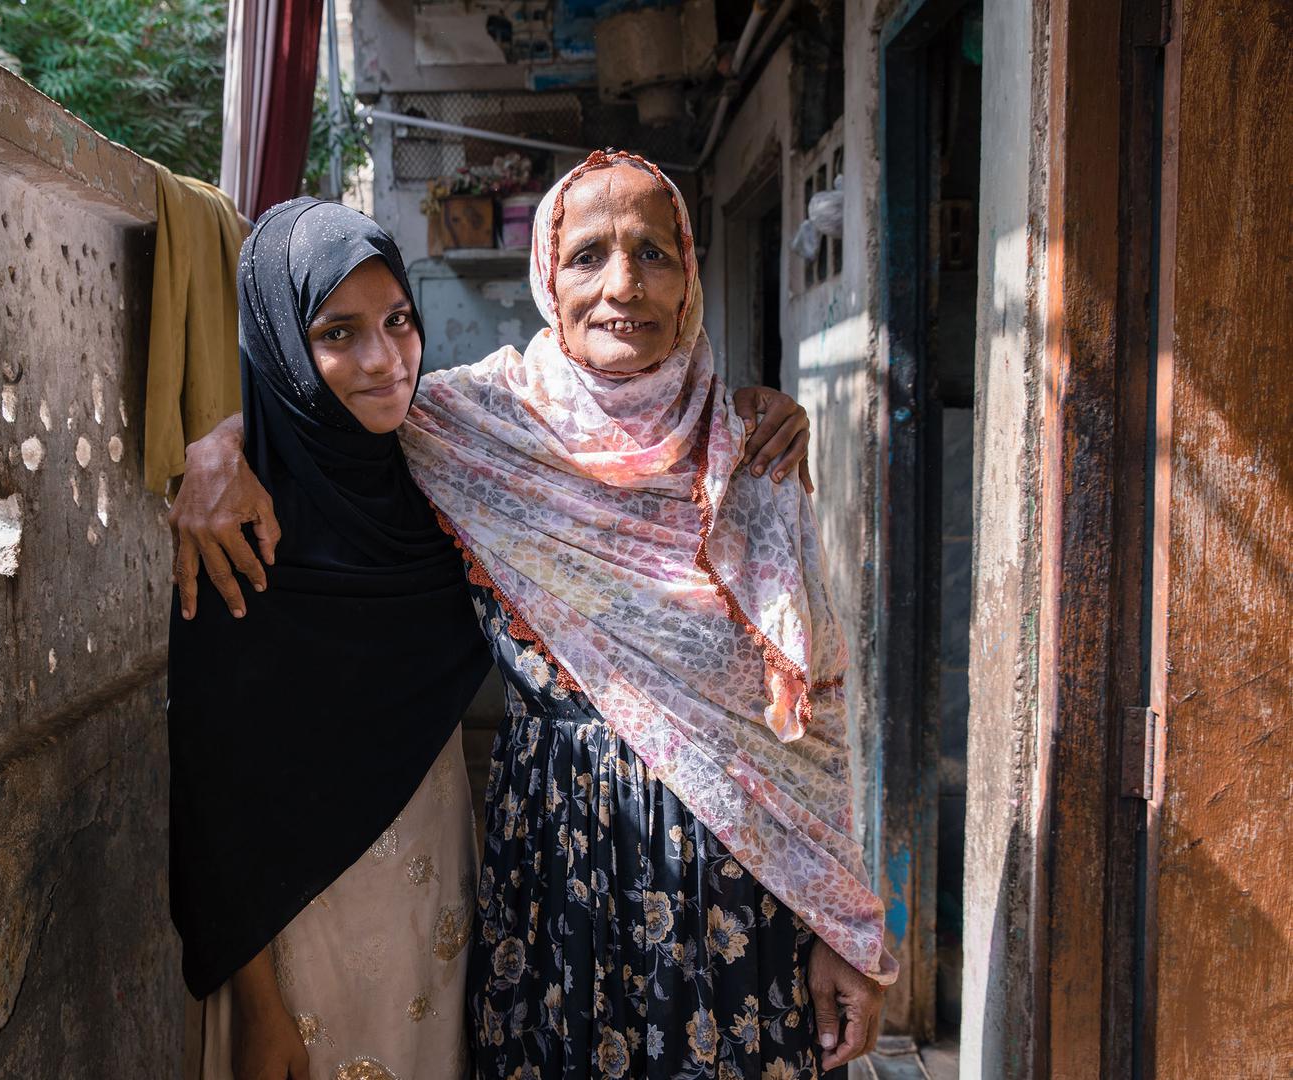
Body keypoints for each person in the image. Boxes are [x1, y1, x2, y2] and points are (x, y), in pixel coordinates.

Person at [174, 152, 890, 1078]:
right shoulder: (480, 430)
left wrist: (841, 926)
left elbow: (815, 720)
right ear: (549, 279)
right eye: (589, 255)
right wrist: (215, 450)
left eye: (653, 253)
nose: (623, 286)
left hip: (734, 902)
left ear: (689, 276)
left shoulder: (752, 454)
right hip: (555, 883)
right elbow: (315, 405)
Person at [167, 198, 494, 1080]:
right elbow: (213, 785)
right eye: (337, 333)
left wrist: (746, 413)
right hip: (303, 934)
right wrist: (259, 1008)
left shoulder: (434, 478)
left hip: (438, 895)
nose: (384, 360)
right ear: (282, 345)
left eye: (398, 320)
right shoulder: (241, 526)